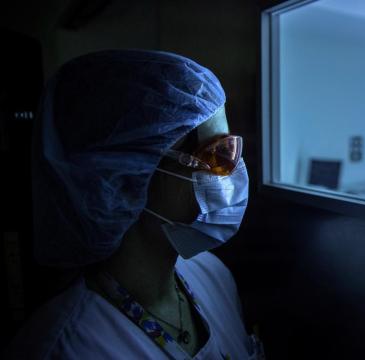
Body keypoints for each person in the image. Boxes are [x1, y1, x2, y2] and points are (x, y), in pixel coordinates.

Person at [5, 49, 264, 359]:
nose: (232, 168)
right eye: (216, 152)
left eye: (230, 149)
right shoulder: (66, 347)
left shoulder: (212, 275)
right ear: (127, 175)